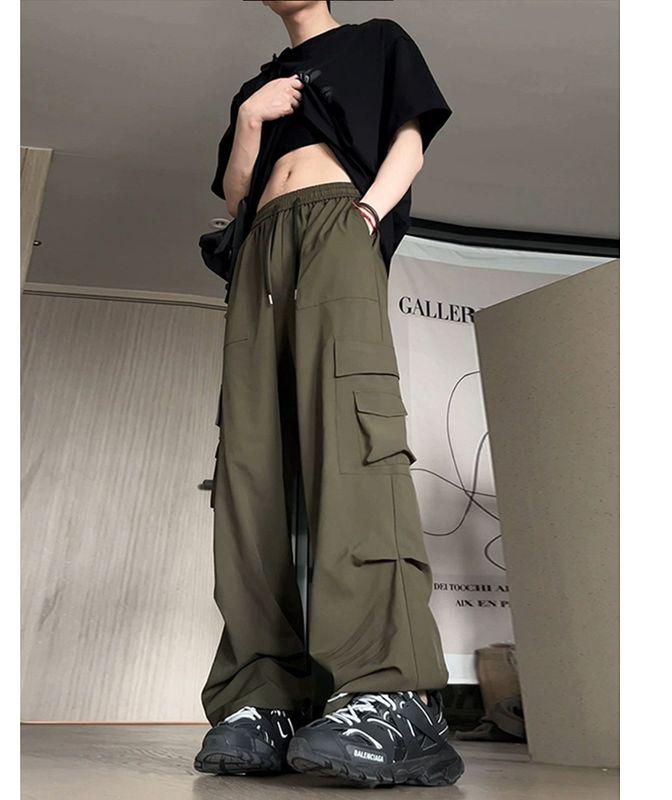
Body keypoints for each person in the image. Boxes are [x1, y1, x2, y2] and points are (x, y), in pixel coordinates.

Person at [195, 0, 464, 787]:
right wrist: (251, 118)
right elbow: (236, 194)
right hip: (260, 245)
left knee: (352, 444)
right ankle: (264, 695)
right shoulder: (256, 86)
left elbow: (410, 138)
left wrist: (370, 212)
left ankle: (392, 693)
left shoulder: (377, 42)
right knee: (251, 464)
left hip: (337, 222)